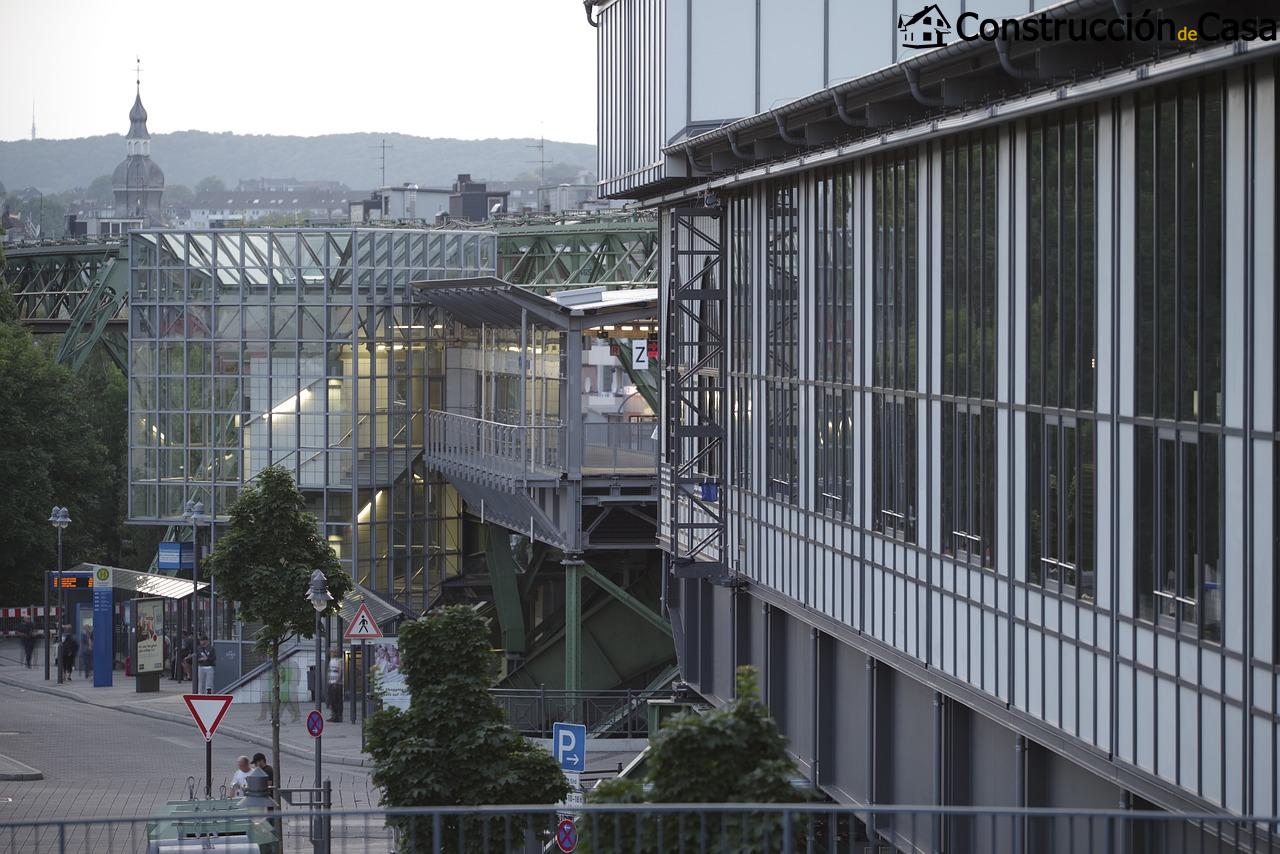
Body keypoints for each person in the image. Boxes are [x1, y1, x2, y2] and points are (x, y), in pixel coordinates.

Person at [326, 648, 343, 722]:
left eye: (332, 652)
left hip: (336, 683)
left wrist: (336, 681)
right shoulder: (331, 661)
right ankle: (333, 715)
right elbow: (329, 671)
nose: (331, 653)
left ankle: (337, 716)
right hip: (331, 682)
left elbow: (340, 671)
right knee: (331, 700)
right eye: (331, 652)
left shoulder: (339, 661)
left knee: (336, 700)